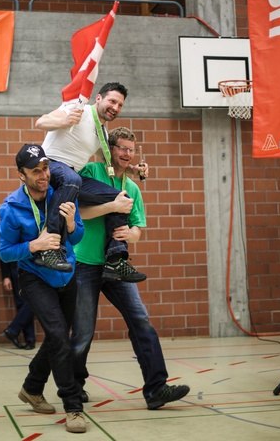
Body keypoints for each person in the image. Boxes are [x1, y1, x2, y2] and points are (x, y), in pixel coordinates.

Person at [71, 127, 191, 409]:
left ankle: (156, 389)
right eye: (122, 148)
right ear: (110, 149)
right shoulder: (91, 172)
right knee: (83, 332)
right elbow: (80, 213)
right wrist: (112, 206)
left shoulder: (133, 188)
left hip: (117, 268)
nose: (127, 154)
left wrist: (131, 235)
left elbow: (138, 228)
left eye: (131, 150)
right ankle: (74, 387)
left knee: (140, 320)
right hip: (85, 264)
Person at [0, 143, 87, 434]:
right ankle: (73, 406)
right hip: (35, 278)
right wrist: (34, 245)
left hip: (67, 275)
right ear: (21, 175)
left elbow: (77, 237)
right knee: (59, 336)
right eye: (35, 171)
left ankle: (32, 388)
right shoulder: (11, 208)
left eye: (46, 168)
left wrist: (71, 224)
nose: (44, 175)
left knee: (56, 338)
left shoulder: (61, 194)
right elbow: (5, 252)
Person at [35, 81, 147, 282]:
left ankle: (115, 258)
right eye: (112, 101)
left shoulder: (102, 133)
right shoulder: (79, 110)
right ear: (99, 98)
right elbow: (41, 122)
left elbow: (108, 160)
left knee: (120, 198)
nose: (115, 107)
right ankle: (48, 248)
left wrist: (133, 170)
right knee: (72, 179)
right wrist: (64, 120)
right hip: (51, 165)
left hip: (73, 177)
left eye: (120, 105)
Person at [0, 259, 36, 350]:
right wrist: (6, 276)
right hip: (17, 267)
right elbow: (3, 254)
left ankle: (14, 330)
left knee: (32, 301)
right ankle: (29, 339)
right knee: (23, 304)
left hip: (34, 268)